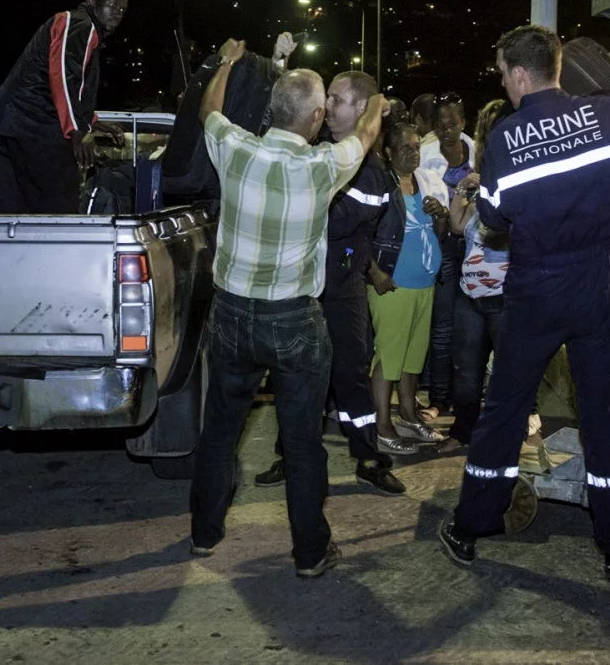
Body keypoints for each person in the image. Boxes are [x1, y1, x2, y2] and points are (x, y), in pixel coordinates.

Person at [437, 24, 610, 587]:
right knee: (603, 417)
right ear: (558, 65)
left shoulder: (506, 140)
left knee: (505, 410)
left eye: (504, 74)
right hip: (599, 291)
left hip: (536, 293)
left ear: (518, 73)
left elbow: (496, 219)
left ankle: (471, 526)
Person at [188, 37, 387, 580]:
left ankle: (205, 535)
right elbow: (366, 137)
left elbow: (210, 110)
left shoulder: (234, 148)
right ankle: (310, 552)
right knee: (302, 444)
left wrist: (226, 64)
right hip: (293, 321)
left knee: (220, 432)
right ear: (319, 116)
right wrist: (376, 105)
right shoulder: (323, 166)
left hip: (230, 316)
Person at [254, 69, 406, 496]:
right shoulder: (318, 153)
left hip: (341, 292)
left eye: (337, 100)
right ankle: (291, 455)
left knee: (351, 376)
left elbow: (334, 221)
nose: (329, 107)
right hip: (303, 291)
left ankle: (369, 458)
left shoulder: (370, 172)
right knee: (296, 378)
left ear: (362, 108)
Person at [0, 0, 129, 214]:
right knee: (61, 196)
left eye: (122, 10)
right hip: (33, 122)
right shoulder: (79, 24)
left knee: (34, 201)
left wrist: (91, 121)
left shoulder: (81, 28)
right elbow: (62, 76)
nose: (118, 14)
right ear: (92, 0)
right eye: (113, 6)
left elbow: (70, 83)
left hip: (21, 122)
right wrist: (77, 132)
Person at [436, 98, 514, 455]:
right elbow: (456, 226)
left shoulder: (516, 182)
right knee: (466, 373)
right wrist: (463, 190)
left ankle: (507, 433)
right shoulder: (480, 181)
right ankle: (462, 431)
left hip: (504, 296)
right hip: (470, 294)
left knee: (509, 372)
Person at [366, 120, 448, 453]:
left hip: (424, 282)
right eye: (404, 148)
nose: (413, 153)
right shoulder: (380, 185)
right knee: (390, 355)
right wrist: (373, 272)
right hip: (393, 285)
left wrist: (440, 214)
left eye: (416, 147)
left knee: (413, 359)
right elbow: (358, 234)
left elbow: (438, 234)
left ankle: (409, 415)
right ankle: (382, 427)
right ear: (388, 152)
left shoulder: (424, 181)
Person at [417, 91, 476, 423]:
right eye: (441, 124)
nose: (447, 130)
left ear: (463, 122)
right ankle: (438, 398)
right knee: (442, 327)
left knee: (470, 329)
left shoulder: (477, 150)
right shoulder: (425, 153)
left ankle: (466, 394)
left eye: (452, 123)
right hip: (441, 248)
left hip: (474, 249)